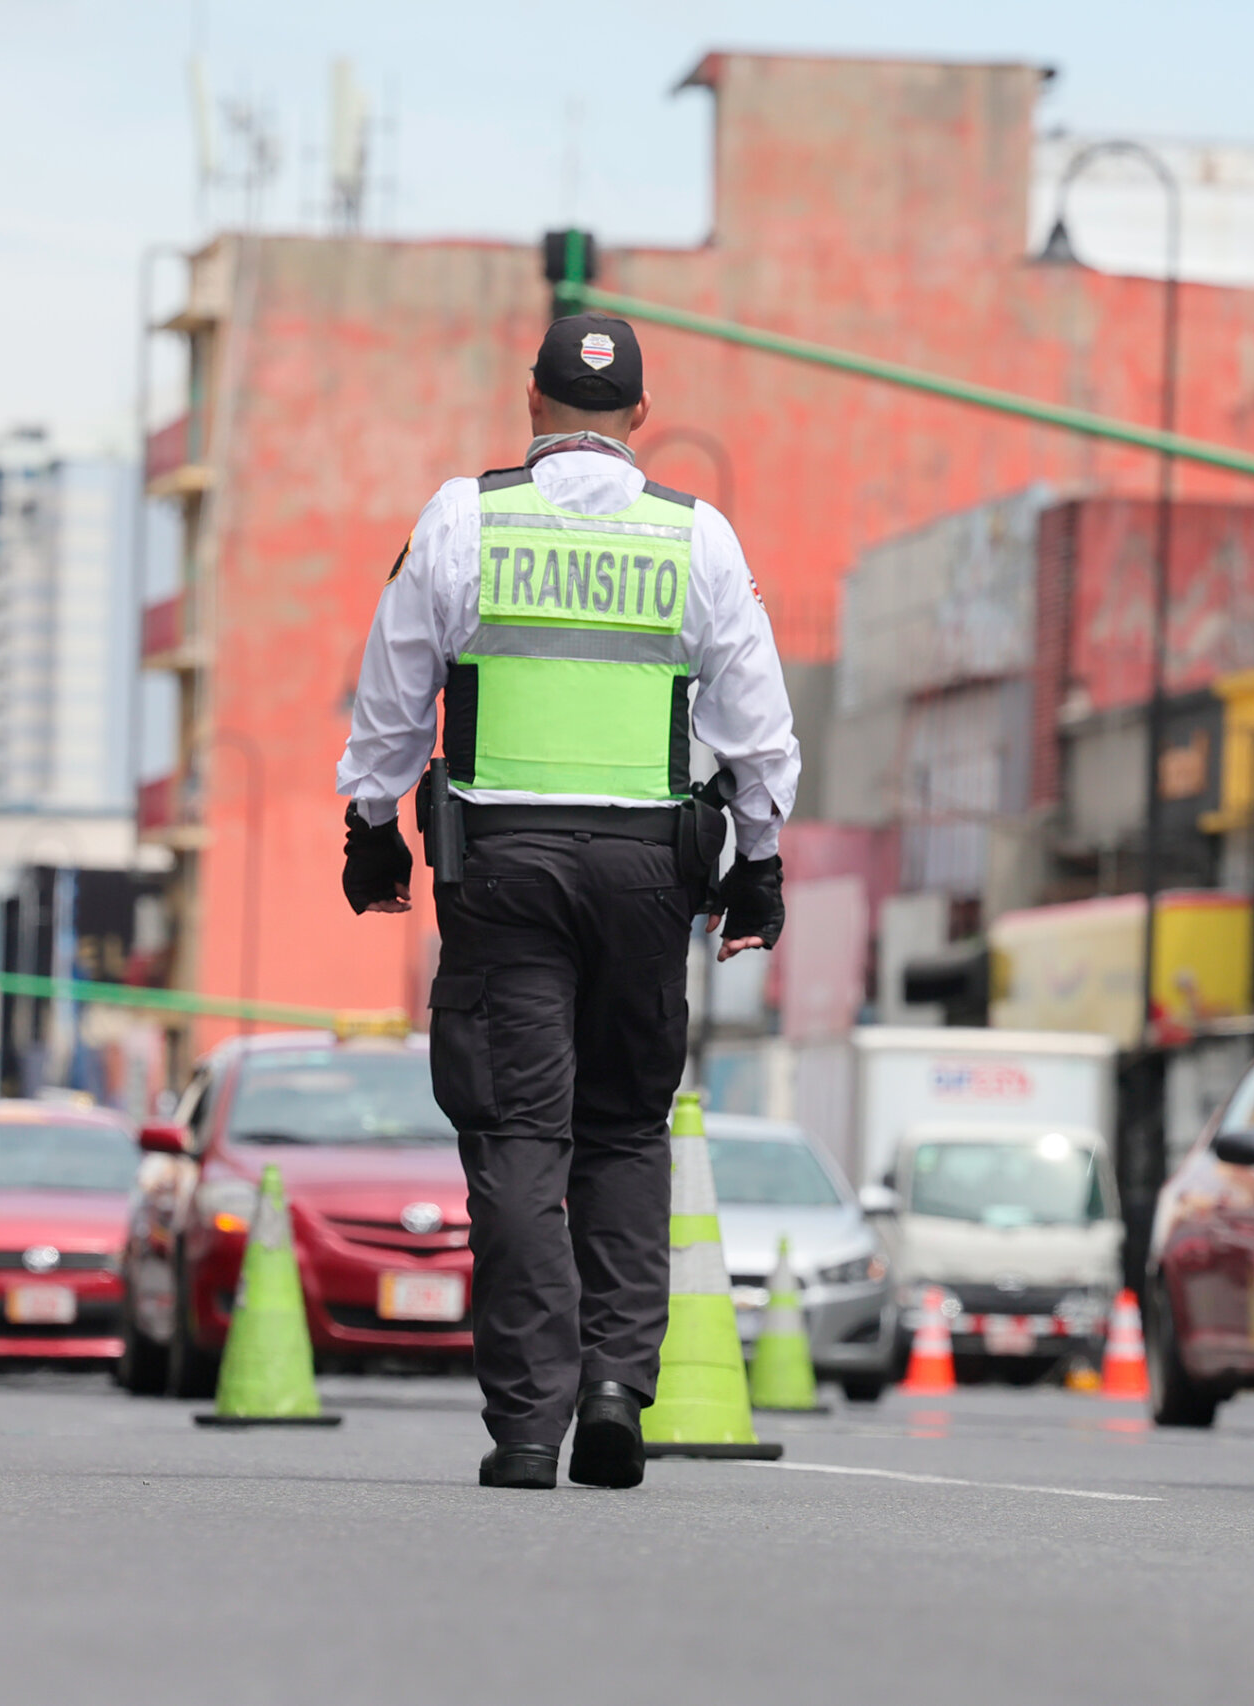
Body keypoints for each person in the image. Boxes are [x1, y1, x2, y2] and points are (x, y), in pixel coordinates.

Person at [335, 313, 800, 1490]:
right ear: (639, 420)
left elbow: (393, 691)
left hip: (505, 868)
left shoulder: (463, 517)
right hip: (650, 872)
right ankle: (612, 1383)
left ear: (531, 403)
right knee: (626, 1128)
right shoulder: (696, 536)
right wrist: (760, 860)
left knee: (517, 1138)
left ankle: (531, 1423)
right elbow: (756, 725)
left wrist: (371, 826)